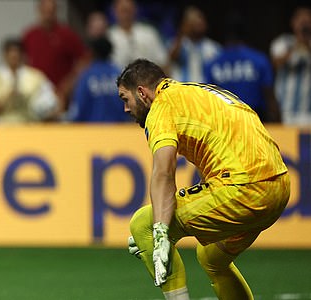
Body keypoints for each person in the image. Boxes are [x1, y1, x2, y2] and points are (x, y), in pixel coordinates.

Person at [118, 59, 289, 299]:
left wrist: (159, 232)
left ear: (142, 93)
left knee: (142, 224)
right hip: (279, 186)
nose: (126, 109)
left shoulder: (162, 107)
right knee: (212, 257)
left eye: (125, 99)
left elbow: (164, 173)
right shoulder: (198, 92)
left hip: (244, 187)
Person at [204, 12, 281, 123]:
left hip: (223, 125)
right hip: (254, 124)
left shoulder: (212, 64)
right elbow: (270, 98)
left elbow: (208, 100)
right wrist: (279, 123)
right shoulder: (259, 60)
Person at [22, 0, 87, 110]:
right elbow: (23, 62)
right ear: (39, 11)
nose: (48, 16)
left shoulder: (66, 34)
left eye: (51, 12)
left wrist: (69, 85)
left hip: (60, 96)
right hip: (34, 96)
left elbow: (84, 60)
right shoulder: (30, 35)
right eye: (45, 11)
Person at [0, 38, 59, 123]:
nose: (14, 56)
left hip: (31, 125)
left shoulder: (36, 76)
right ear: (4, 54)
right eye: (10, 52)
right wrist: (8, 97)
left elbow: (53, 98)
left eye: (17, 52)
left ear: (22, 54)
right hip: (4, 127)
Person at [68, 36, 128, 122]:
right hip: (120, 130)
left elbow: (78, 110)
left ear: (93, 52)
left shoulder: (87, 76)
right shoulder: (120, 74)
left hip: (94, 131)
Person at [270, 6, 311, 125]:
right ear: (293, 23)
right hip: (285, 112)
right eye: (301, 22)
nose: (304, 25)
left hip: (308, 112)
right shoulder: (283, 42)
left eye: (307, 22)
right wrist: (298, 42)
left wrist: (306, 44)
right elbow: (275, 64)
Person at [106, 0, 167, 69]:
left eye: (129, 10)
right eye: (123, 11)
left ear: (135, 10)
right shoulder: (108, 36)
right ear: (114, 11)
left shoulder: (149, 32)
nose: (126, 15)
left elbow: (163, 61)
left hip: (149, 77)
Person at [167, 6, 221, 83]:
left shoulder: (213, 47)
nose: (198, 23)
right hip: (182, 90)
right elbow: (171, 59)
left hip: (204, 91)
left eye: (200, 20)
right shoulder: (179, 43)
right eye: (193, 21)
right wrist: (182, 33)